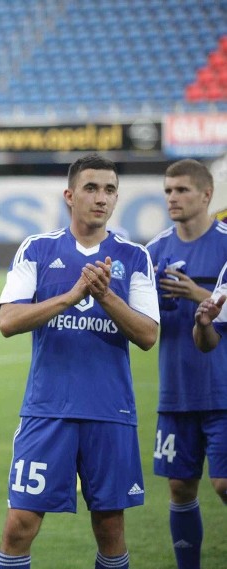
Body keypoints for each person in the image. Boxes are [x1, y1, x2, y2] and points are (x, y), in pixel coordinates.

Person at [0, 154, 159, 569]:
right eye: (90, 188)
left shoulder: (135, 257)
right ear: (69, 195)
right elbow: (8, 320)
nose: (100, 198)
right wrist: (70, 297)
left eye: (109, 190)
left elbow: (147, 335)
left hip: (110, 412)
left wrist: (105, 296)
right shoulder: (37, 249)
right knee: (20, 524)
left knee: (109, 527)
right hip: (48, 411)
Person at [145, 159, 227, 569]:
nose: (172, 198)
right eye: (168, 191)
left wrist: (200, 294)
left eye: (181, 190)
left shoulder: (226, 243)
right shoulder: (155, 251)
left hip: (223, 388)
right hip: (176, 390)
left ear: (207, 195)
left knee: (224, 483)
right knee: (180, 486)